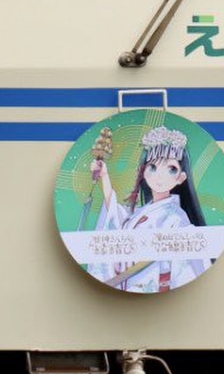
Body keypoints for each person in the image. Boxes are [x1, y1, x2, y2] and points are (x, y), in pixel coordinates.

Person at [89, 123, 211, 293]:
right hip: (127, 284)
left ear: (181, 178)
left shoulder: (176, 218)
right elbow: (118, 220)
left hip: (152, 286)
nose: (159, 176)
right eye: (152, 167)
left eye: (171, 169)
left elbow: (188, 265)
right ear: (143, 172)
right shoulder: (142, 211)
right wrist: (105, 176)